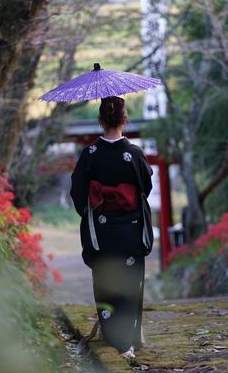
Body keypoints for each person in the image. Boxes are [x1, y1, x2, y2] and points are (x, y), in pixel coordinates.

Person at [70, 96, 154, 359]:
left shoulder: (90, 155)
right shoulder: (134, 154)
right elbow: (146, 188)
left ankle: (113, 333)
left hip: (103, 231)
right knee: (130, 283)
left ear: (100, 120)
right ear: (124, 119)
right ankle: (128, 338)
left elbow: (78, 193)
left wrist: (93, 211)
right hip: (130, 229)